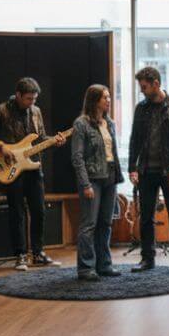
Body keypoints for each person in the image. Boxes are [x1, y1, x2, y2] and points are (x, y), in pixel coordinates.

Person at [0, 77, 66, 271]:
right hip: (11, 168)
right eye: (28, 98)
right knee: (16, 213)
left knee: (39, 211)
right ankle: (20, 255)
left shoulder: (36, 112)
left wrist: (55, 141)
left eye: (34, 99)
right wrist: (1, 146)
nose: (32, 102)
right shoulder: (1, 110)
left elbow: (40, 139)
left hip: (34, 168)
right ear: (18, 95)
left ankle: (38, 253)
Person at [127, 66, 169, 273]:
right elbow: (134, 139)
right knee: (146, 217)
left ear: (156, 83)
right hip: (146, 170)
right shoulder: (141, 109)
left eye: (144, 86)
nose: (142, 90)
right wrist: (132, 167)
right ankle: (147, 259)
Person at [70, 84, 124, 281]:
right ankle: (85, 268)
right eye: (105, 98)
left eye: (109, 97)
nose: (109, 100)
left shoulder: (109, 123)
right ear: (94, 100)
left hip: (110, 177)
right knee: (89, 224)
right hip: (92, 180)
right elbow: (77, 158)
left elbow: (112, 153)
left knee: (106, 224)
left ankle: (104, 265)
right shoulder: (81, 124)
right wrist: (85, 185)